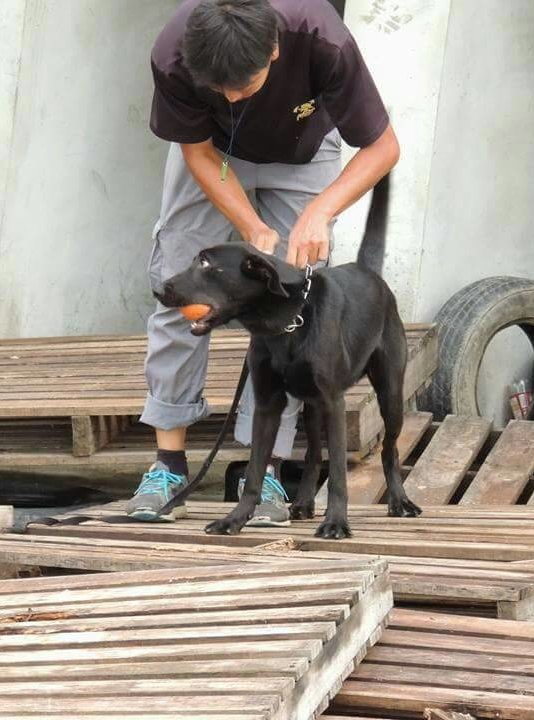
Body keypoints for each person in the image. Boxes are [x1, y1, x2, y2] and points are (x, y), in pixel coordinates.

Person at [126, 0, 400, 522]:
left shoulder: (323, 40)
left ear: (274, 51)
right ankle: (167, 465)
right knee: (177, 290)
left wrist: (321, 211)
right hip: (212, 155)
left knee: (295, 304)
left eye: (243, 86)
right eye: (219, 90)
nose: (230, 98)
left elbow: (383, 147)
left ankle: (266, 470)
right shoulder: (173, 51)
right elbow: (198, 151)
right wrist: (250, 227)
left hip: (303, 155)